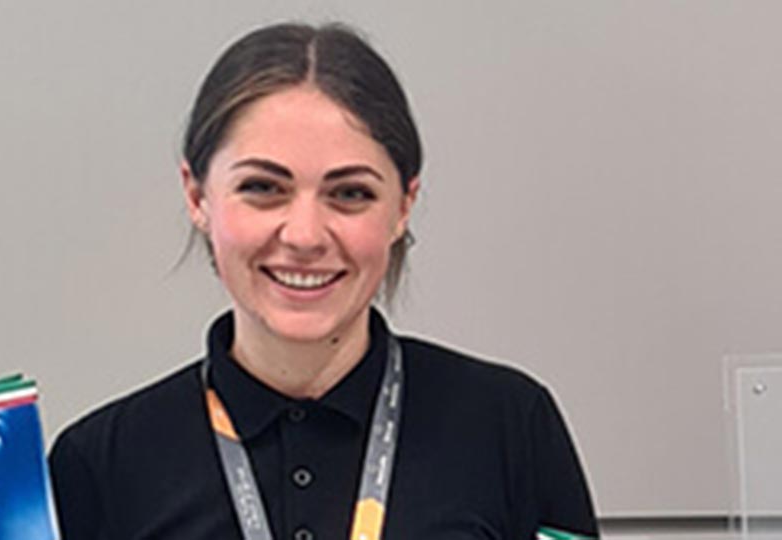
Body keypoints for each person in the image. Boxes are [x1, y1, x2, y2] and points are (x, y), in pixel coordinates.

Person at [49, 22, 599, 540]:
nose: (306, 235)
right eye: (264, 188)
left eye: (351, 193)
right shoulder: (100, 462)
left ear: (404, 204)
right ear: (198, 197)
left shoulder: (508, 425)